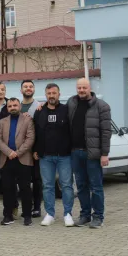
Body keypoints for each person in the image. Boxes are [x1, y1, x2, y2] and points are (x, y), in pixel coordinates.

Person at [67, 78, 112, 228]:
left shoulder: (102, 106)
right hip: (75, 152)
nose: (81, 90)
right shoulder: (71, 103)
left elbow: (106, 132)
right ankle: (85, 215)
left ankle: (98, 216)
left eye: (84, 88)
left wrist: (104, 154)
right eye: (79, 88)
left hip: (92, 154)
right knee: (80, 186)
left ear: (89, 88)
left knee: (96, 186)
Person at [33, 83, 75, 227]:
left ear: (59, 94)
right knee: (47, 186)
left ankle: (68, 214)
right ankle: (50, 214)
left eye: (54, 93)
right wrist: (35, 150)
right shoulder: (39, 111)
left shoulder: (66, 110)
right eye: (49, 93)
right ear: (45, 95)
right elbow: (35, 132)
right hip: (45, 157)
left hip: (65, 156)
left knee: (67, 185)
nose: (51, 95)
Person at [0, 98, 35, 226]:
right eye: (10, 106)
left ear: (19, 106)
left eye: (15, 105)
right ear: (7, 108)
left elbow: (30, 138)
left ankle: (27, 215)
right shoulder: (2, 122)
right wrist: (9, 152)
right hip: (7, 160)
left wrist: (17, 153)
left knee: (25, 189)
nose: (13, 107)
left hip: (23, 159)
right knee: (7, 189)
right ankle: (8, 215)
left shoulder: (27, 120)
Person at [19, 80, 43, 218]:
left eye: (30, 86)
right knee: (24, 180)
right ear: (21, 90)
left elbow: (41, 130)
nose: (28, 88)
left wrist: (38, 149)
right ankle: (26, 207)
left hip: (33, 150)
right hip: (19, 150)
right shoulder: (16, 105)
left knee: (36, 179)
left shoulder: (39, 107)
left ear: (34, 89)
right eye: (25, 87)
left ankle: (37, 207)